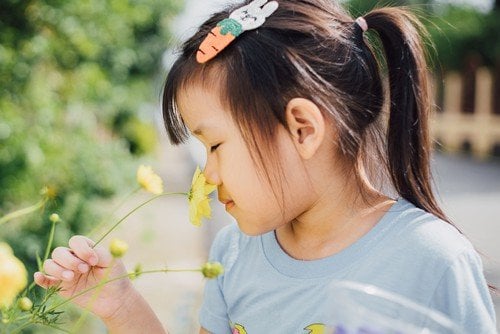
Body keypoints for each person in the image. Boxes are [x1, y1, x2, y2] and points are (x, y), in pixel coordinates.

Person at [35, 0, 497, 333]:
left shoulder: (431, 260)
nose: (207, 175)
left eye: (215, 145)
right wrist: (120, 307)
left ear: (301, 128)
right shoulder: (234, 253)